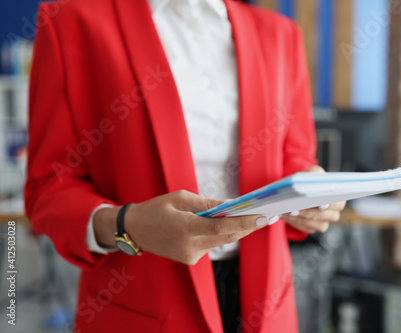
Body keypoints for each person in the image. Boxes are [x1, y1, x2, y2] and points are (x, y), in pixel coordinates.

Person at [25, 0, 345, 332]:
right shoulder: (73, 19)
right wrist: (127, 225)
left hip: (267, 304)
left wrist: (310, 198)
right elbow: (48, 187)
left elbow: (296, 160)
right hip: (143, 304)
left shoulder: (280, 35)